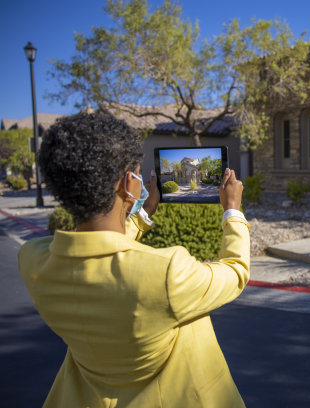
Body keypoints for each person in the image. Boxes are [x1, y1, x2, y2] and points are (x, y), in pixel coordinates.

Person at [18, 112, 250, 407]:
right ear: (129, 183)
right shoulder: (167, 273)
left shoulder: (34, 261)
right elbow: (235, 271)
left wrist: (143, 214)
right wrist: (232, 210)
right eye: (139, 172)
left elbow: (99, 246)